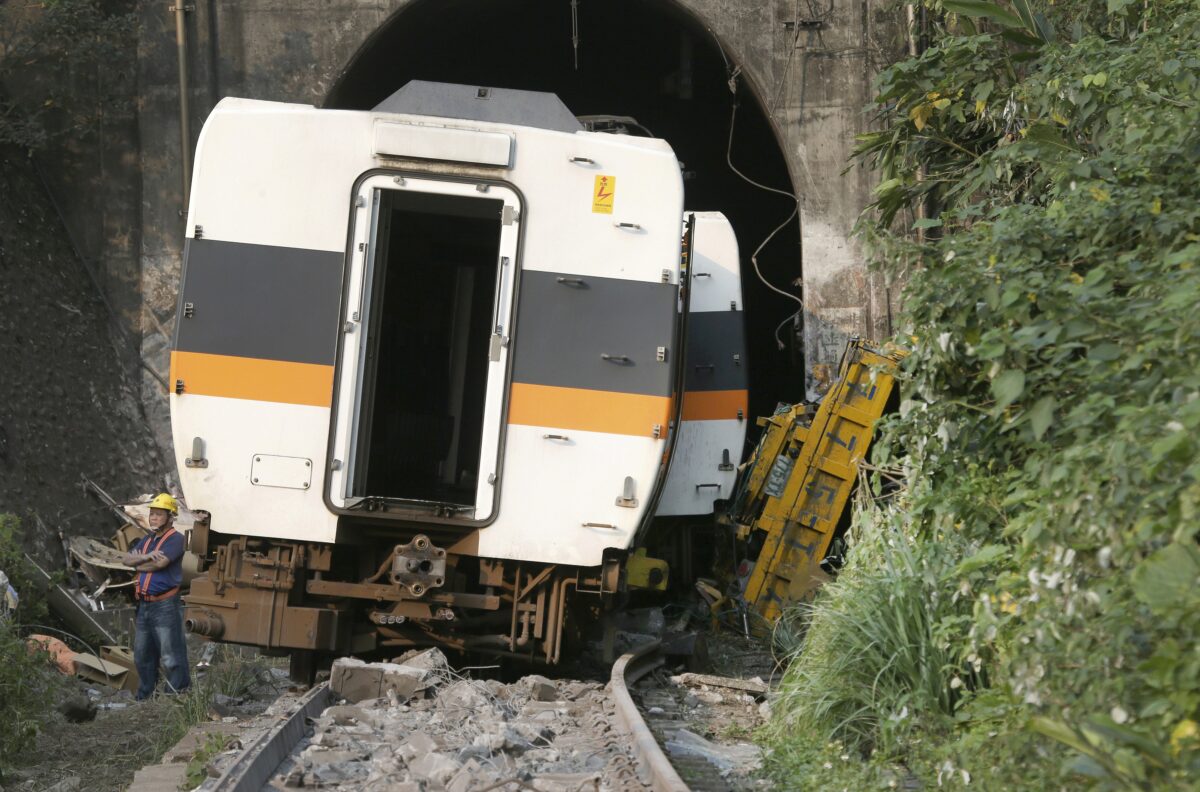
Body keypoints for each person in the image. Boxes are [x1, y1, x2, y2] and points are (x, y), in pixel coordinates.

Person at [122, 492, 190, 699]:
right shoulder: (148, 539)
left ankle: (176, 695)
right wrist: (145, 557)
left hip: (165, 604)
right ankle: (145, 696)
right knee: (142, 655)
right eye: (152, 514)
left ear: (170, 517)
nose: (153, 518)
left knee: (171, 655)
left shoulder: (176, 540)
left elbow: (160, 564)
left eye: (159, 515)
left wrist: (140, 564)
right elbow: (126, 559)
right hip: (145, 605)